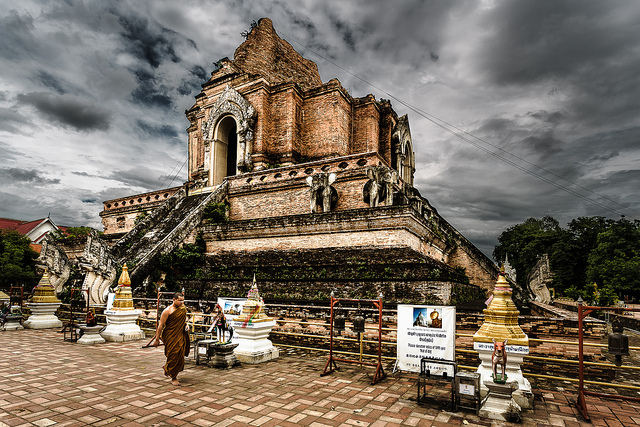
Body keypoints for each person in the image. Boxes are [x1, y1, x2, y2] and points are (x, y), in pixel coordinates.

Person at [153, 292, 187, 386]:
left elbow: (182, 321)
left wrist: (186, 325)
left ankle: (167, 368)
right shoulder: (167, 311)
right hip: (170, 335)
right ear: (174, 300)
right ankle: (174, 377)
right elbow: (160, 326)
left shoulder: (183, 309)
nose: (181, 302)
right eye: (179, 300)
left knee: (180, 355)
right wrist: (157, 339)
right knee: (173, 354)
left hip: (180, 334)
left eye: (182, 300)